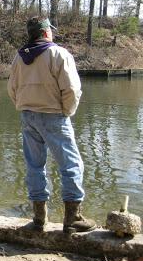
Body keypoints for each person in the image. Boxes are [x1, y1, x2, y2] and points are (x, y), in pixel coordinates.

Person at [7, 16, 96, 234]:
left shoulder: (19, 58)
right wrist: (67, 112)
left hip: (28, 116)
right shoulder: (59, 54)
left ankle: (39, 219)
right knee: (71, 164)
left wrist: (24, 106)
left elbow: (12, 89)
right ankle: (72, 218)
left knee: (35, 166)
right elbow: (72, 90)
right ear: (46, 32)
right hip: (54, 115)